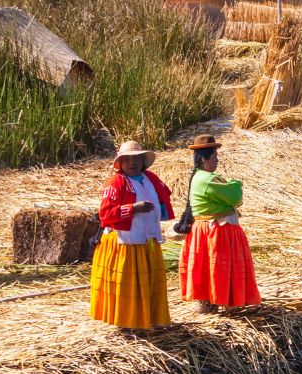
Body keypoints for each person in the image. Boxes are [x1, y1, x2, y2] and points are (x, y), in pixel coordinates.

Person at [90, 141, 174, 329]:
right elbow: (105, 215)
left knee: (148, 282)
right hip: (125, 242)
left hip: (148, 240)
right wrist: (133, 209)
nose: (132, 163)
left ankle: (148, 319)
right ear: (120, 163)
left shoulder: (150, 179)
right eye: (126, 160)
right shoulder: (116, 183)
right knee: (129, 284)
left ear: (143, 160)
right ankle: (127, 322)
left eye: (136, 158)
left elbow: (164, 199)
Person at [177, 135, 260, 310]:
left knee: (211, 269)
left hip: (210, 228)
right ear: (204, 158)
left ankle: (211, 303)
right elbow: (236, 196)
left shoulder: (202, 177)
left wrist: (229, 189)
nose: (217, 161)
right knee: (216, 270)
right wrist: (234, 185)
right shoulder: (208, 179)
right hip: (214, 231)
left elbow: (230, 195)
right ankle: (213, 303)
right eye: (215, 157)